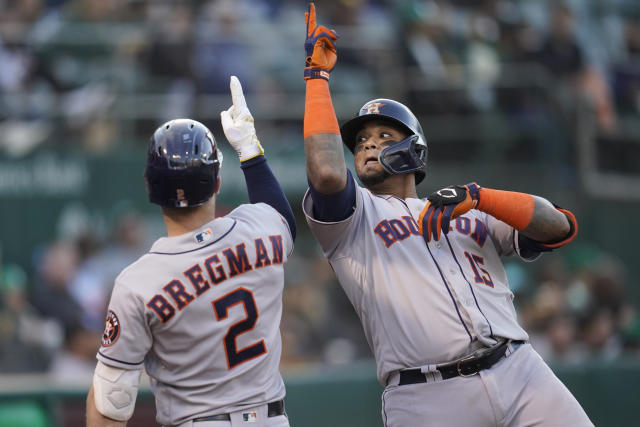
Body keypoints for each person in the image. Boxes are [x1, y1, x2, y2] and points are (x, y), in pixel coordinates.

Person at [301, 3, 592, 426]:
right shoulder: (354, 218)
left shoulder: (464, 206)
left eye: (384, 135)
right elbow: (327, 172)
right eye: (361, 139)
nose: (366, 144)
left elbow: (559, 227)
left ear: (414, 149)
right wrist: (316, 79)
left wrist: (482, 198)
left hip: (519, 370)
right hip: (427, 394)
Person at [86, 76, 295, 427]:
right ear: (216, 181)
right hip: (271, 419)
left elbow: (112, 404)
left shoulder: (138, 282)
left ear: (149, 188)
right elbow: (282, 216)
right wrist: (249, 150)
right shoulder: (259, 227)